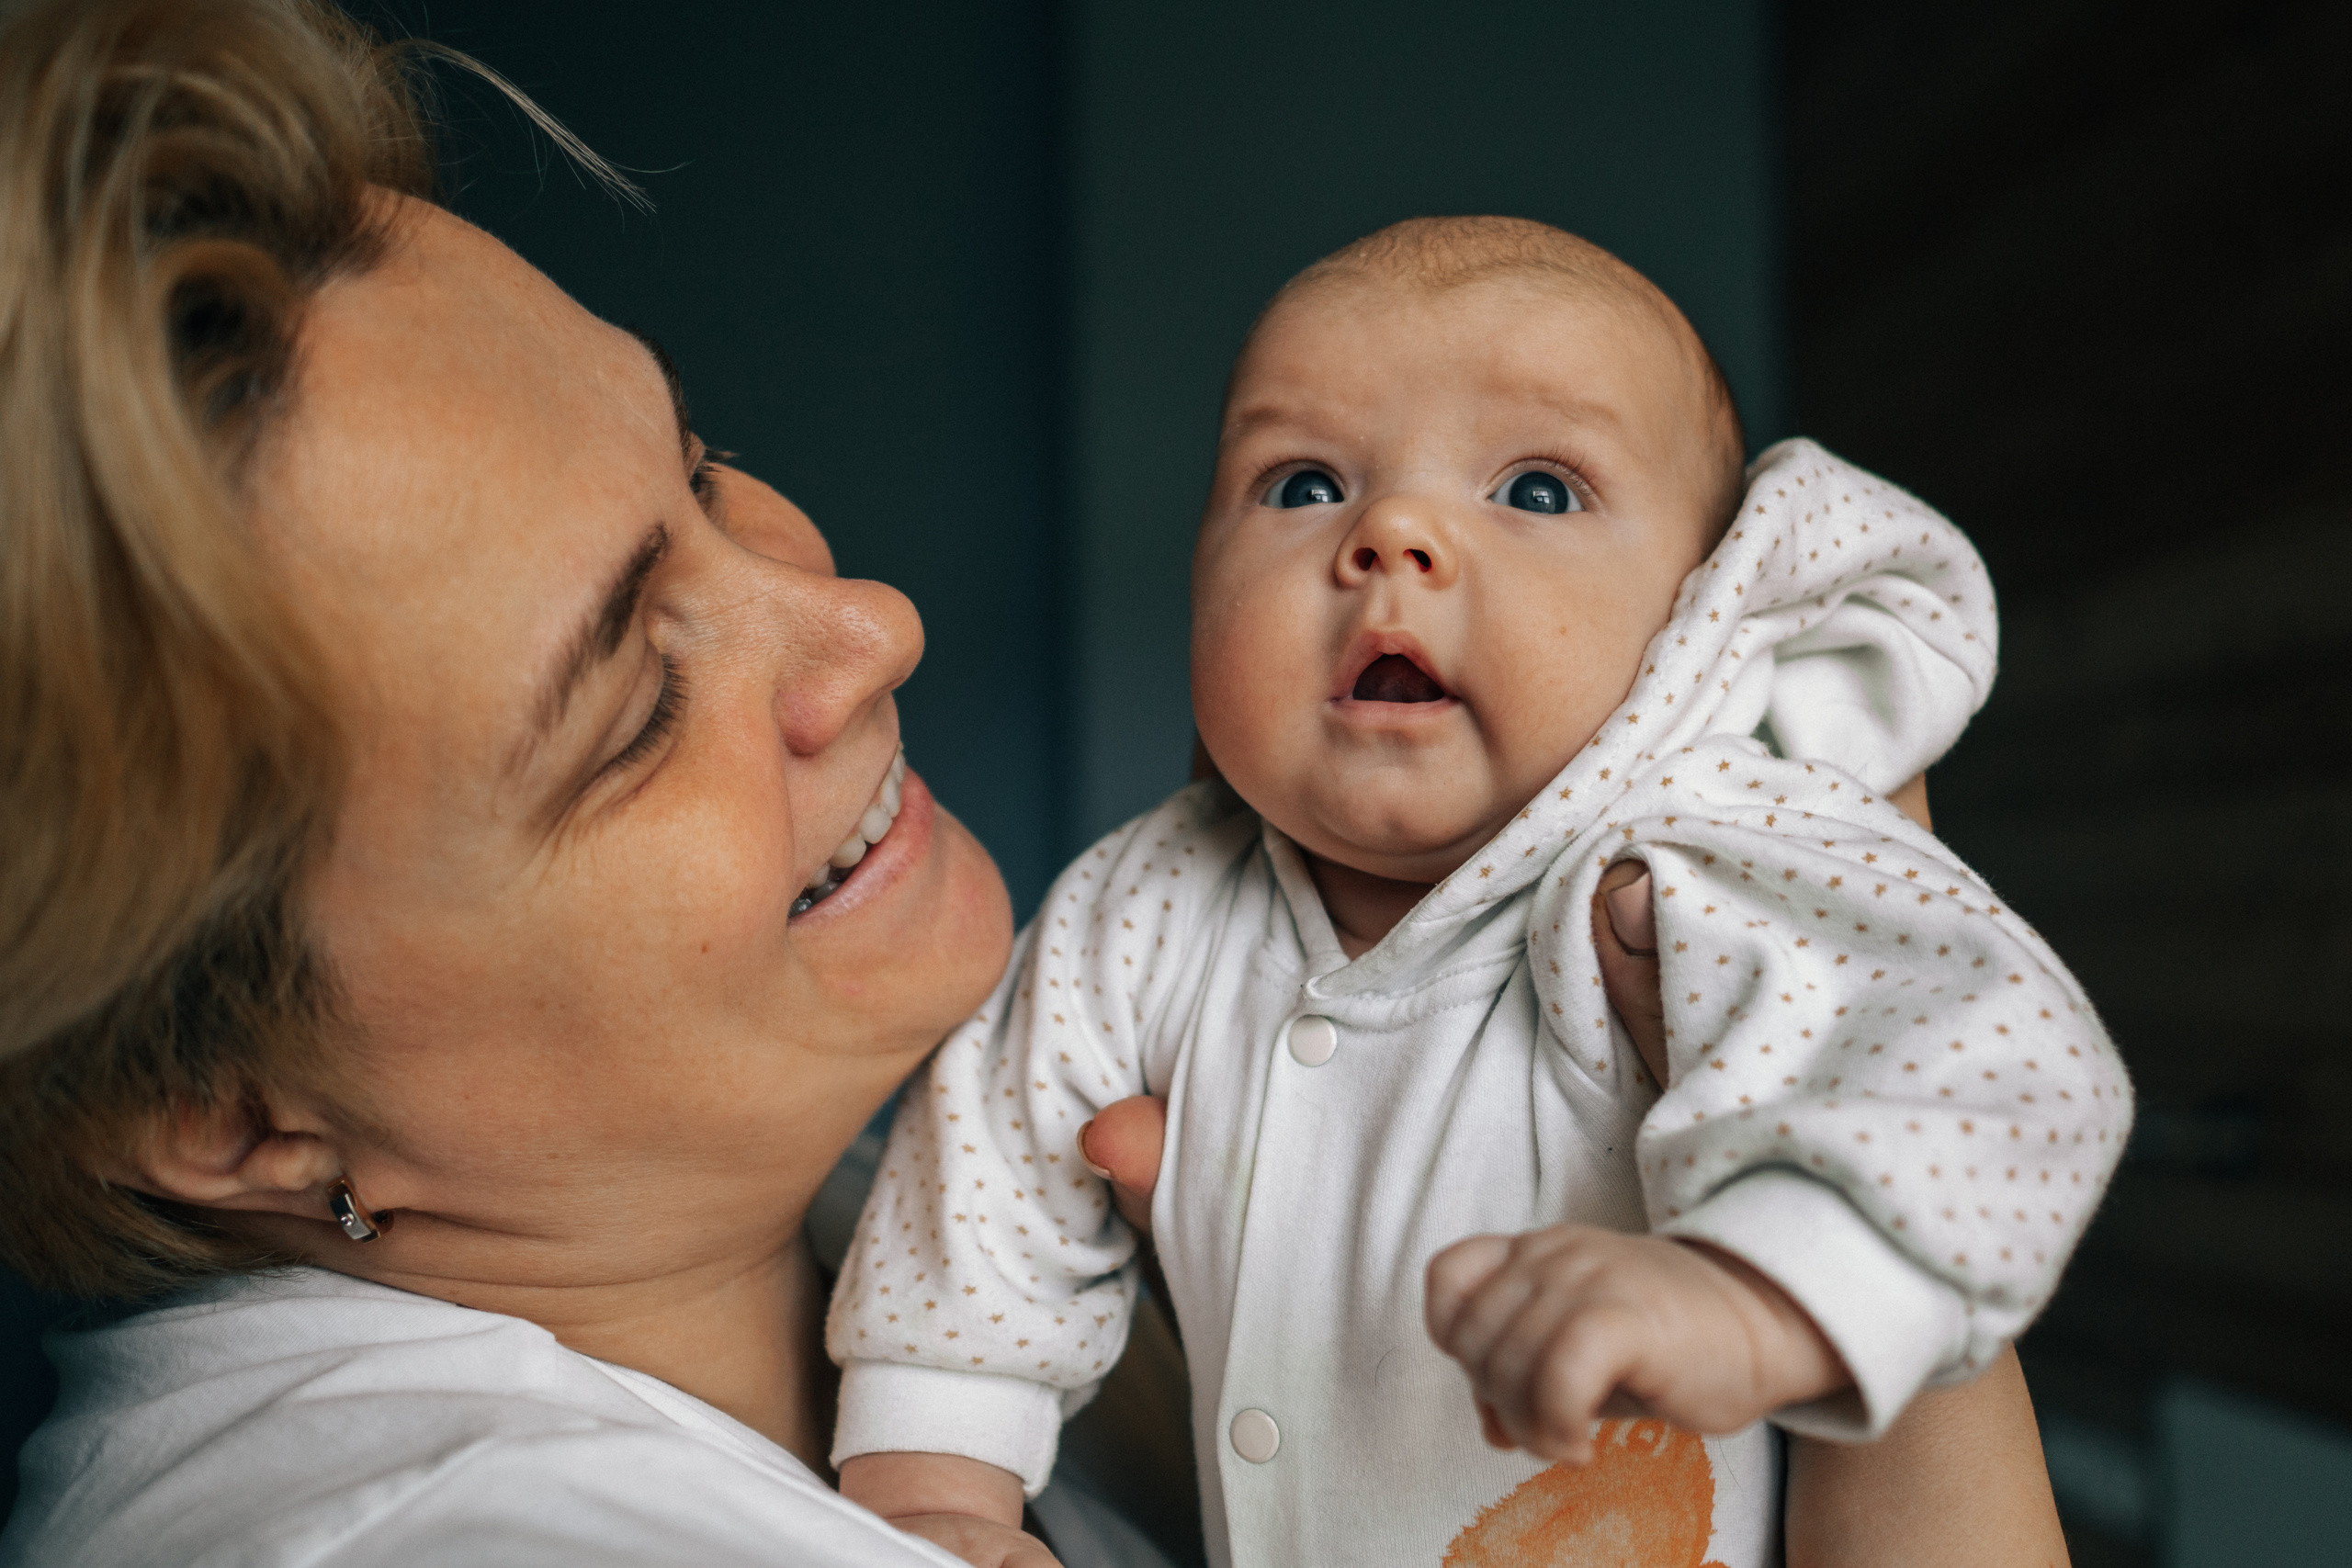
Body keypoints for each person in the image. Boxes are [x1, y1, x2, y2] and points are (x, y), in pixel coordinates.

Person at [0, 3, 2070, 1564]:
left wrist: (1820, 1230)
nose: (871, 622)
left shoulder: (874, 1211)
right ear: (234, 1112)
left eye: (704, 462)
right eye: (628, 703)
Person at [828, 220, 2131, 1567]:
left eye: (1540, 490)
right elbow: (980, 1180)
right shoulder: (1147, 903)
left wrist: (1756, 1301)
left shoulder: (1706, 853)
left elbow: (1974, 1045)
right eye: (1301, 484)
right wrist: (937, 1491)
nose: (1392, 534)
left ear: (1702, 612)